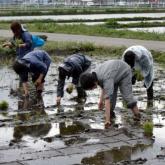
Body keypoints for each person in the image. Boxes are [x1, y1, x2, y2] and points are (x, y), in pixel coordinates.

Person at [79, 60, 140, 128]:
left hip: (124, 72)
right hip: (114, 74)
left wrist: (106, 120)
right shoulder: (94, 75)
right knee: (111, 101)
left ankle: (137, 115)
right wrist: (100, 101)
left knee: (127, 96)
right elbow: (104, 88)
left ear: (94, 82)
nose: (92, 89)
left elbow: (107, 98)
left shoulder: (106, 77)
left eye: (91, 88)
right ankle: (111, 117)